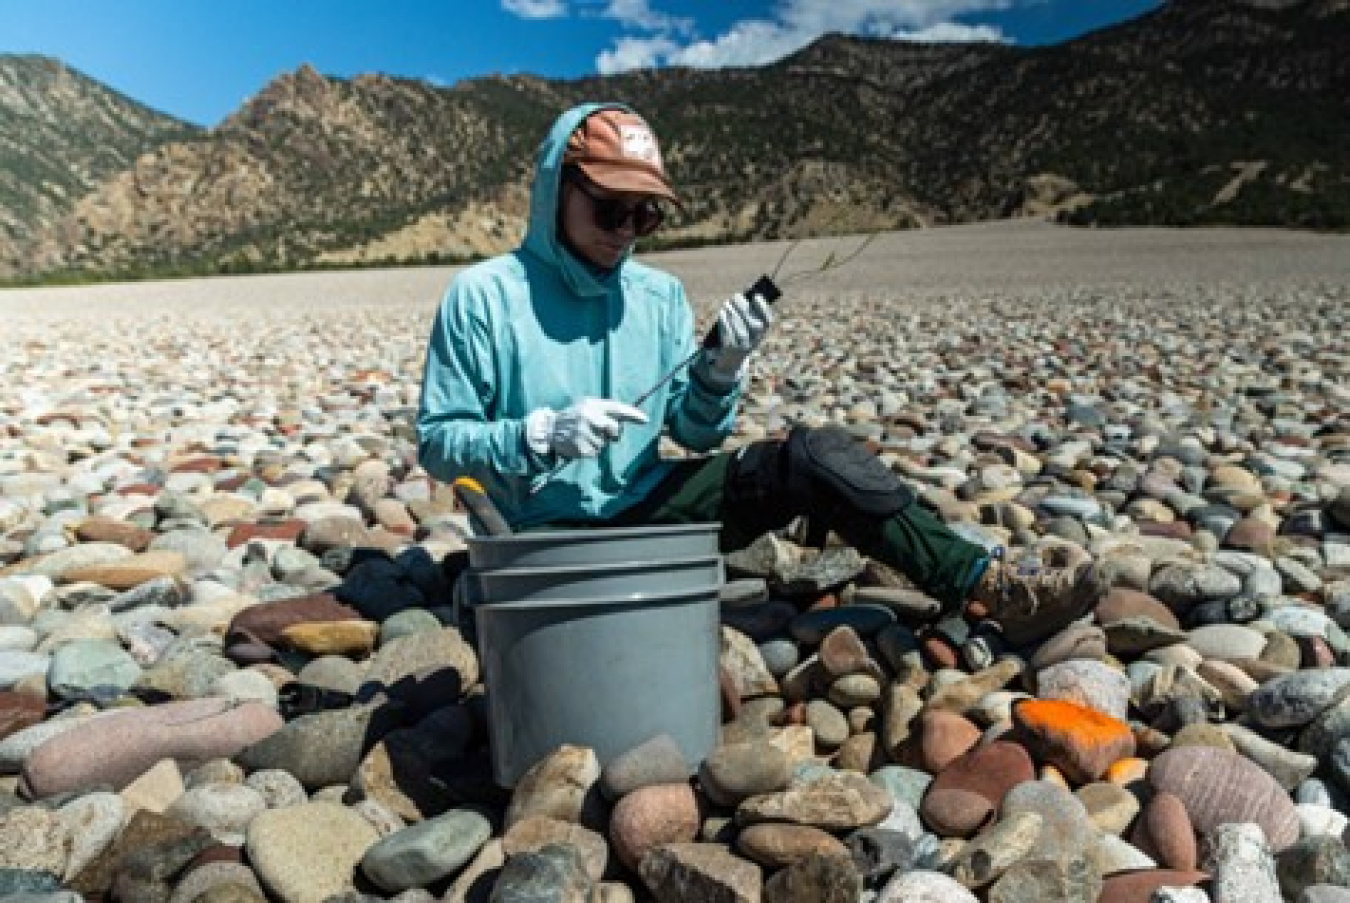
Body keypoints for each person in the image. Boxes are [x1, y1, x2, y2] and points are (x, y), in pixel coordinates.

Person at [416, 102, 1102, 651]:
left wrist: (722, 368)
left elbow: (691, 429)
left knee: (812, 457)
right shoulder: (483, 296)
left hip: (646, 508)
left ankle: (989, 585)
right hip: (537, 536)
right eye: (609, 207)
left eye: (646, 213)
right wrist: (537, 434)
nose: (627, 229)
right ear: (555, 190)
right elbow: (438, 442)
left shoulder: (656, 296)